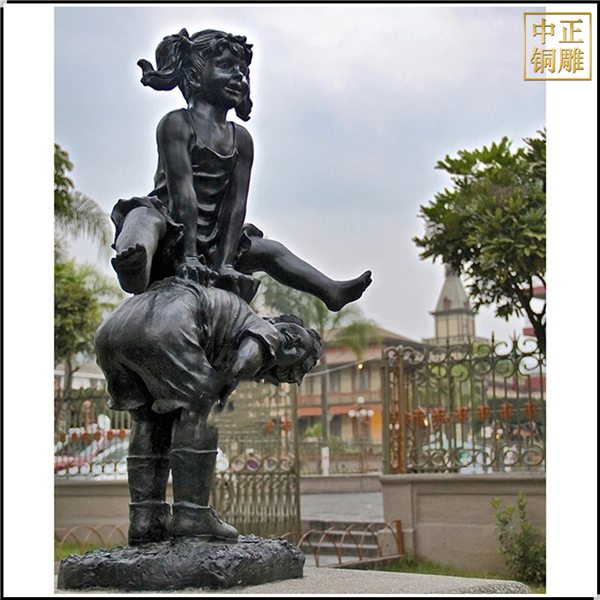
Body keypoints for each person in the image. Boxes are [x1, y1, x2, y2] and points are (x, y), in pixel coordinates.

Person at [111, 28, 372, 309]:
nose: (239, 76)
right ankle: (134, 266)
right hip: (172, 228)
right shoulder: (177, 123)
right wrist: (188, 257)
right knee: (142, 219)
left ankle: (330, 291)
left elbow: (236, 204)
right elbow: (182, 192)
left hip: (215, 240)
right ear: (194, 75)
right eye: (225, 66)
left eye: (243, 71)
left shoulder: (241, 138)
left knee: (271, 251)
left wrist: (225, 263)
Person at [94, 275, 322, 544]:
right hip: (165, 326)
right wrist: (224, 386)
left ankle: (146, 520)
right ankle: (192, 516)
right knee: (203, 410)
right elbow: (250, 354)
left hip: (112, 331)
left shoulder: (227, 324)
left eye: (298, 351)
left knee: (148, 419)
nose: (291, 342)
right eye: (296, 336)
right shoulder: (263, 328)